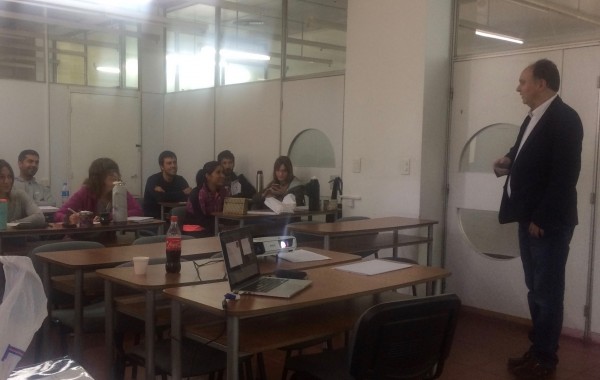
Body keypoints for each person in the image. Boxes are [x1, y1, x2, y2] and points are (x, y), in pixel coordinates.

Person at [493, 59, 583, 380]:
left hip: (548, 223)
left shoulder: (566, 119)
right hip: (527, 218)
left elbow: (564, 175)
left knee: (547, 292)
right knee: (535, 289)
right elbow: (524, 152)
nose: (519, 88)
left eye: (523, 82)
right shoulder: (532, 117)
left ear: (541, 83)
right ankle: (537, 350)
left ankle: (546, 360)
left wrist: (541, 218)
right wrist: (507, 159)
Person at [55, 157, 143, 225]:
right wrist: (69, 218)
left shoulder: (120, 190)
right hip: (84, 239)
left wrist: (110, 216)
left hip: (109, 238)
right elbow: (58, 214)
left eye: (116, 172)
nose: (115, 175)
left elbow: (138, 211)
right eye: (110, 173)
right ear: (98, 176)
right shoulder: (85, 192)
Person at [185, 161, 229, 236]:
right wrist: (220, 227)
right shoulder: (197, 193)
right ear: (208, 176)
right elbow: (201, 219)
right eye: (218, 172)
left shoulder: (222, 192)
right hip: (194, 229)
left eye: (223, 173)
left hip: (212, 228)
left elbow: (225, 214)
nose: (222, 176)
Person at [143, 150, 192, 219]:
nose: (173, 166)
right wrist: (182, 193)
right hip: (154, 220)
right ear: (162, 167)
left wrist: (166, 195)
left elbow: (189, 198)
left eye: (175, 162)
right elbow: (160, 198)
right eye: (169, 163)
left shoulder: (180, 180)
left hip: (174, 218)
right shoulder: (152, 180)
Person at [0, 159, 45, 225]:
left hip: (17, 235)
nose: (6, 181)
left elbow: (40, 217)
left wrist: (12, 225)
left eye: (9, 177)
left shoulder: (19, 195)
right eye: (1, 177)